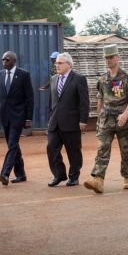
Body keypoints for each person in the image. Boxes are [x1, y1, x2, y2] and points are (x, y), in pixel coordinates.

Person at [84, 44, 128, 194]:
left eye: (111, 57)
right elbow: (100, 99)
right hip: (106, 120)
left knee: (125, 149)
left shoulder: (127, 76)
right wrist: (99, 117)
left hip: (123, 119)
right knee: (102, 148)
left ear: (117, 58)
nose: (108, 60)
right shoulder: (102, 79)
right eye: (106, 58)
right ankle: (98, 180)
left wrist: (126, 114)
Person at [0, 51, 35, 186]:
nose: (4, 62)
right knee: (13, 145)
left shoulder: (24, 75)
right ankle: (21, 174)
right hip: (4, 117)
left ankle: (5, 174)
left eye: (6, 60)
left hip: (19, 117)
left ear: (14, 61)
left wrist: (28, 118)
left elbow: (29, 98)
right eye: (2, 60)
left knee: (12, 144)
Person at [46, 52, 89, 187]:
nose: (56, 65)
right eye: (56, 63)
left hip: (72, 123)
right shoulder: (53, 79)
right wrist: (50, 118)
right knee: (51, 148)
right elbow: (52, 102)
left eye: (60, 63)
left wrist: (83, 120)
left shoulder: (79, 79)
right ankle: (58, 174)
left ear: (69, 65)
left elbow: (84, 102)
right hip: (55, 123)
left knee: (74, 151)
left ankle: (74, 176)